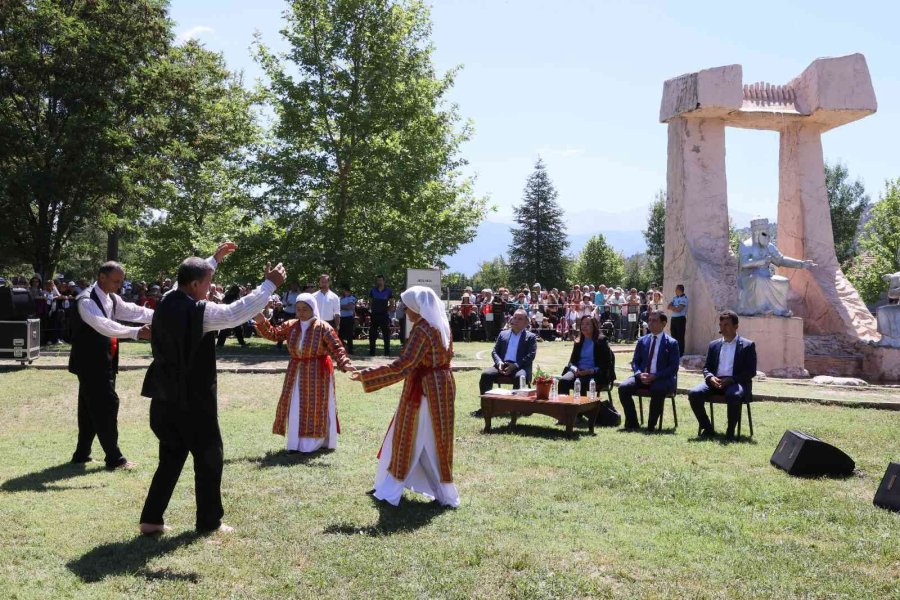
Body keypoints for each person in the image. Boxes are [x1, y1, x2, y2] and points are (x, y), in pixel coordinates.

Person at [139, 243, 286, 535]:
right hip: (192, 400)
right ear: (194, 284)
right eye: (207, 283)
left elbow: (194, 273)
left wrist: (214, 260)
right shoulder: (200, 312)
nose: (211, 287)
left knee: (170, 458)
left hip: (163, 398)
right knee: (210, 457)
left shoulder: (167, 300)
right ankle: (209, 522)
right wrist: (270, 284)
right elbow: (234, 313)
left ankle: (151, 520)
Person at [350, 286, 459, 507]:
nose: (403, 309)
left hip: (425, 390)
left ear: (416, 308)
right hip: (442, 387)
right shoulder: (441, 326)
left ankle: (391, 490)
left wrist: (367, 376)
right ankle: (444, 493)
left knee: (411, 436)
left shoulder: (423, 330)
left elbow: (403, 366)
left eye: (405, 306)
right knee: (437, 438)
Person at [68, 261, 154, 469]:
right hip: (90, 363)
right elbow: (103, 325)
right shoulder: (86, 300)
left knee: (89, 407)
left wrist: (165, 314)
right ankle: (115, 458)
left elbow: (134, 311)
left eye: (121, 282)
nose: (119, 286)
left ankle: (81, 454)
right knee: (106, 405)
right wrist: (135, 333)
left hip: (105, 361)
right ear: (102, 277)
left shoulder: (111, 298)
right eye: (116, 281)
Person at [253, 293, 353, 453]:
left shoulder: (323, 327)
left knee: (315, 406)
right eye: (298, 309)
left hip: (317, 373)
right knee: (295, 405)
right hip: (296, 371)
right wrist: (260, 319)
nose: (301, 313)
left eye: (304, 309)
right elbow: (273, 334)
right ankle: (295, 443)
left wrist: (345, 362)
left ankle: (315, 443)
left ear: (312, 309)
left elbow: (337, 348)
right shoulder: (291, 325)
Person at [688, 311, 757, 439]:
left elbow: (751, 371)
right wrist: (710, 377)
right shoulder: (714, 345)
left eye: (726, 325)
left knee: (734, 395)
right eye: (721, 325)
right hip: (715, 381)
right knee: (694, 393)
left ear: (736, 326)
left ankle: (730, 431)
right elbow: (706, 368)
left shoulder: (747, 345)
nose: (722, 328)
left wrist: (732, 380)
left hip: (735, 383)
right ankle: (707, 428)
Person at [737, 217, 816, 317]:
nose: (768, 237)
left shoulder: (769, 246)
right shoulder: (746, 245)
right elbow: (743, 264)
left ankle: (780, 310)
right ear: (756, 234)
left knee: (783, 282)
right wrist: (760, 262)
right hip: (748, 279)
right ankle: (761, 308)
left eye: (768, 234)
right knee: (759, 280)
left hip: (766, 277)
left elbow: (781, 260)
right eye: (764, 234)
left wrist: (801, 264)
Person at [618, 311, 680, 431]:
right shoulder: (642, 340)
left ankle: (651, 426)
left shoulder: (672, 343)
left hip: (661, 379)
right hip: (642, 376)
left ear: (663, 323)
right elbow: (635, 361)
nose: (650, 323)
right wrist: (639, 374)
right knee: (623, 388)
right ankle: (632, 422)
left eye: (654, 320)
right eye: (649, 320)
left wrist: (655, 376)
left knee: (658, 389)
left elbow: (673, 367)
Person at [477, 309, 538, 399]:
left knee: (520, 377)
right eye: (515, 318)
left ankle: (514, 409)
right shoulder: (503, 334)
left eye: (520, 319)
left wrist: (515, 365)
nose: (516, 320)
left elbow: (531, 355)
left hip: (520, 367)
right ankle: (485, 407)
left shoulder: (531, 337)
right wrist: (499, 363)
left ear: (526, 322)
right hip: (502, 365)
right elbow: (494, 351)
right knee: (486, 375)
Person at [557, 315, 615, 395]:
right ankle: (565, 407)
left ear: (594, 326)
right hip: (578, 371)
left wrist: (589, 371)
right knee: (563, 381)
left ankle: (582, 407)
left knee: (580, 383)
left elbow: (606, 364)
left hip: (594, 373)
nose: (584, 326)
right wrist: (575, 369)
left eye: (587, 324)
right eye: (582, 324)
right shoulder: (578, 341)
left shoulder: (601, 341)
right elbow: (571, 362)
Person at [369, 275, 392, 356]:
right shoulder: (373, 290)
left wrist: (387, 310)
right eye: (378, 280)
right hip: (374, 315)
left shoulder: (388, 291)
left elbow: (392, 303)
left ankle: (387, 353)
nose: (379, 282)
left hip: (384, 316)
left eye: (381, 280)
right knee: (372, 334)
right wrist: (372, 310)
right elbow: (370, 302)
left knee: (386, 334)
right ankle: (372, 352)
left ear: (384, 281)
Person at [667, 284, 688, 355]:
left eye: (676, 289)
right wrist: (674, 308)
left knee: (680, 337)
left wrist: (673, 307)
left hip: (680, 319)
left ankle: (680, 353)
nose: (675, 291)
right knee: (673, 336)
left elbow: (679, 309)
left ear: (679, 290)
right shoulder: (674, 298)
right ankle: (674, 352)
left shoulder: (684, 298)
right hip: (673, 319)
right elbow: (668, 306)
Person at [338, 285, 357, 352]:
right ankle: (340, 350)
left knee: (349, 335)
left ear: (348, 292)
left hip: (349, 318)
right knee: (340, 335)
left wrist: (340, 306)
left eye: (345, 291)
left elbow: (350, 307)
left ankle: (350, 350)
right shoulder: (340, 298)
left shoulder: (351, 298)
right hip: (341, 318)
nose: (344, 292)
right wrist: (343, 306)